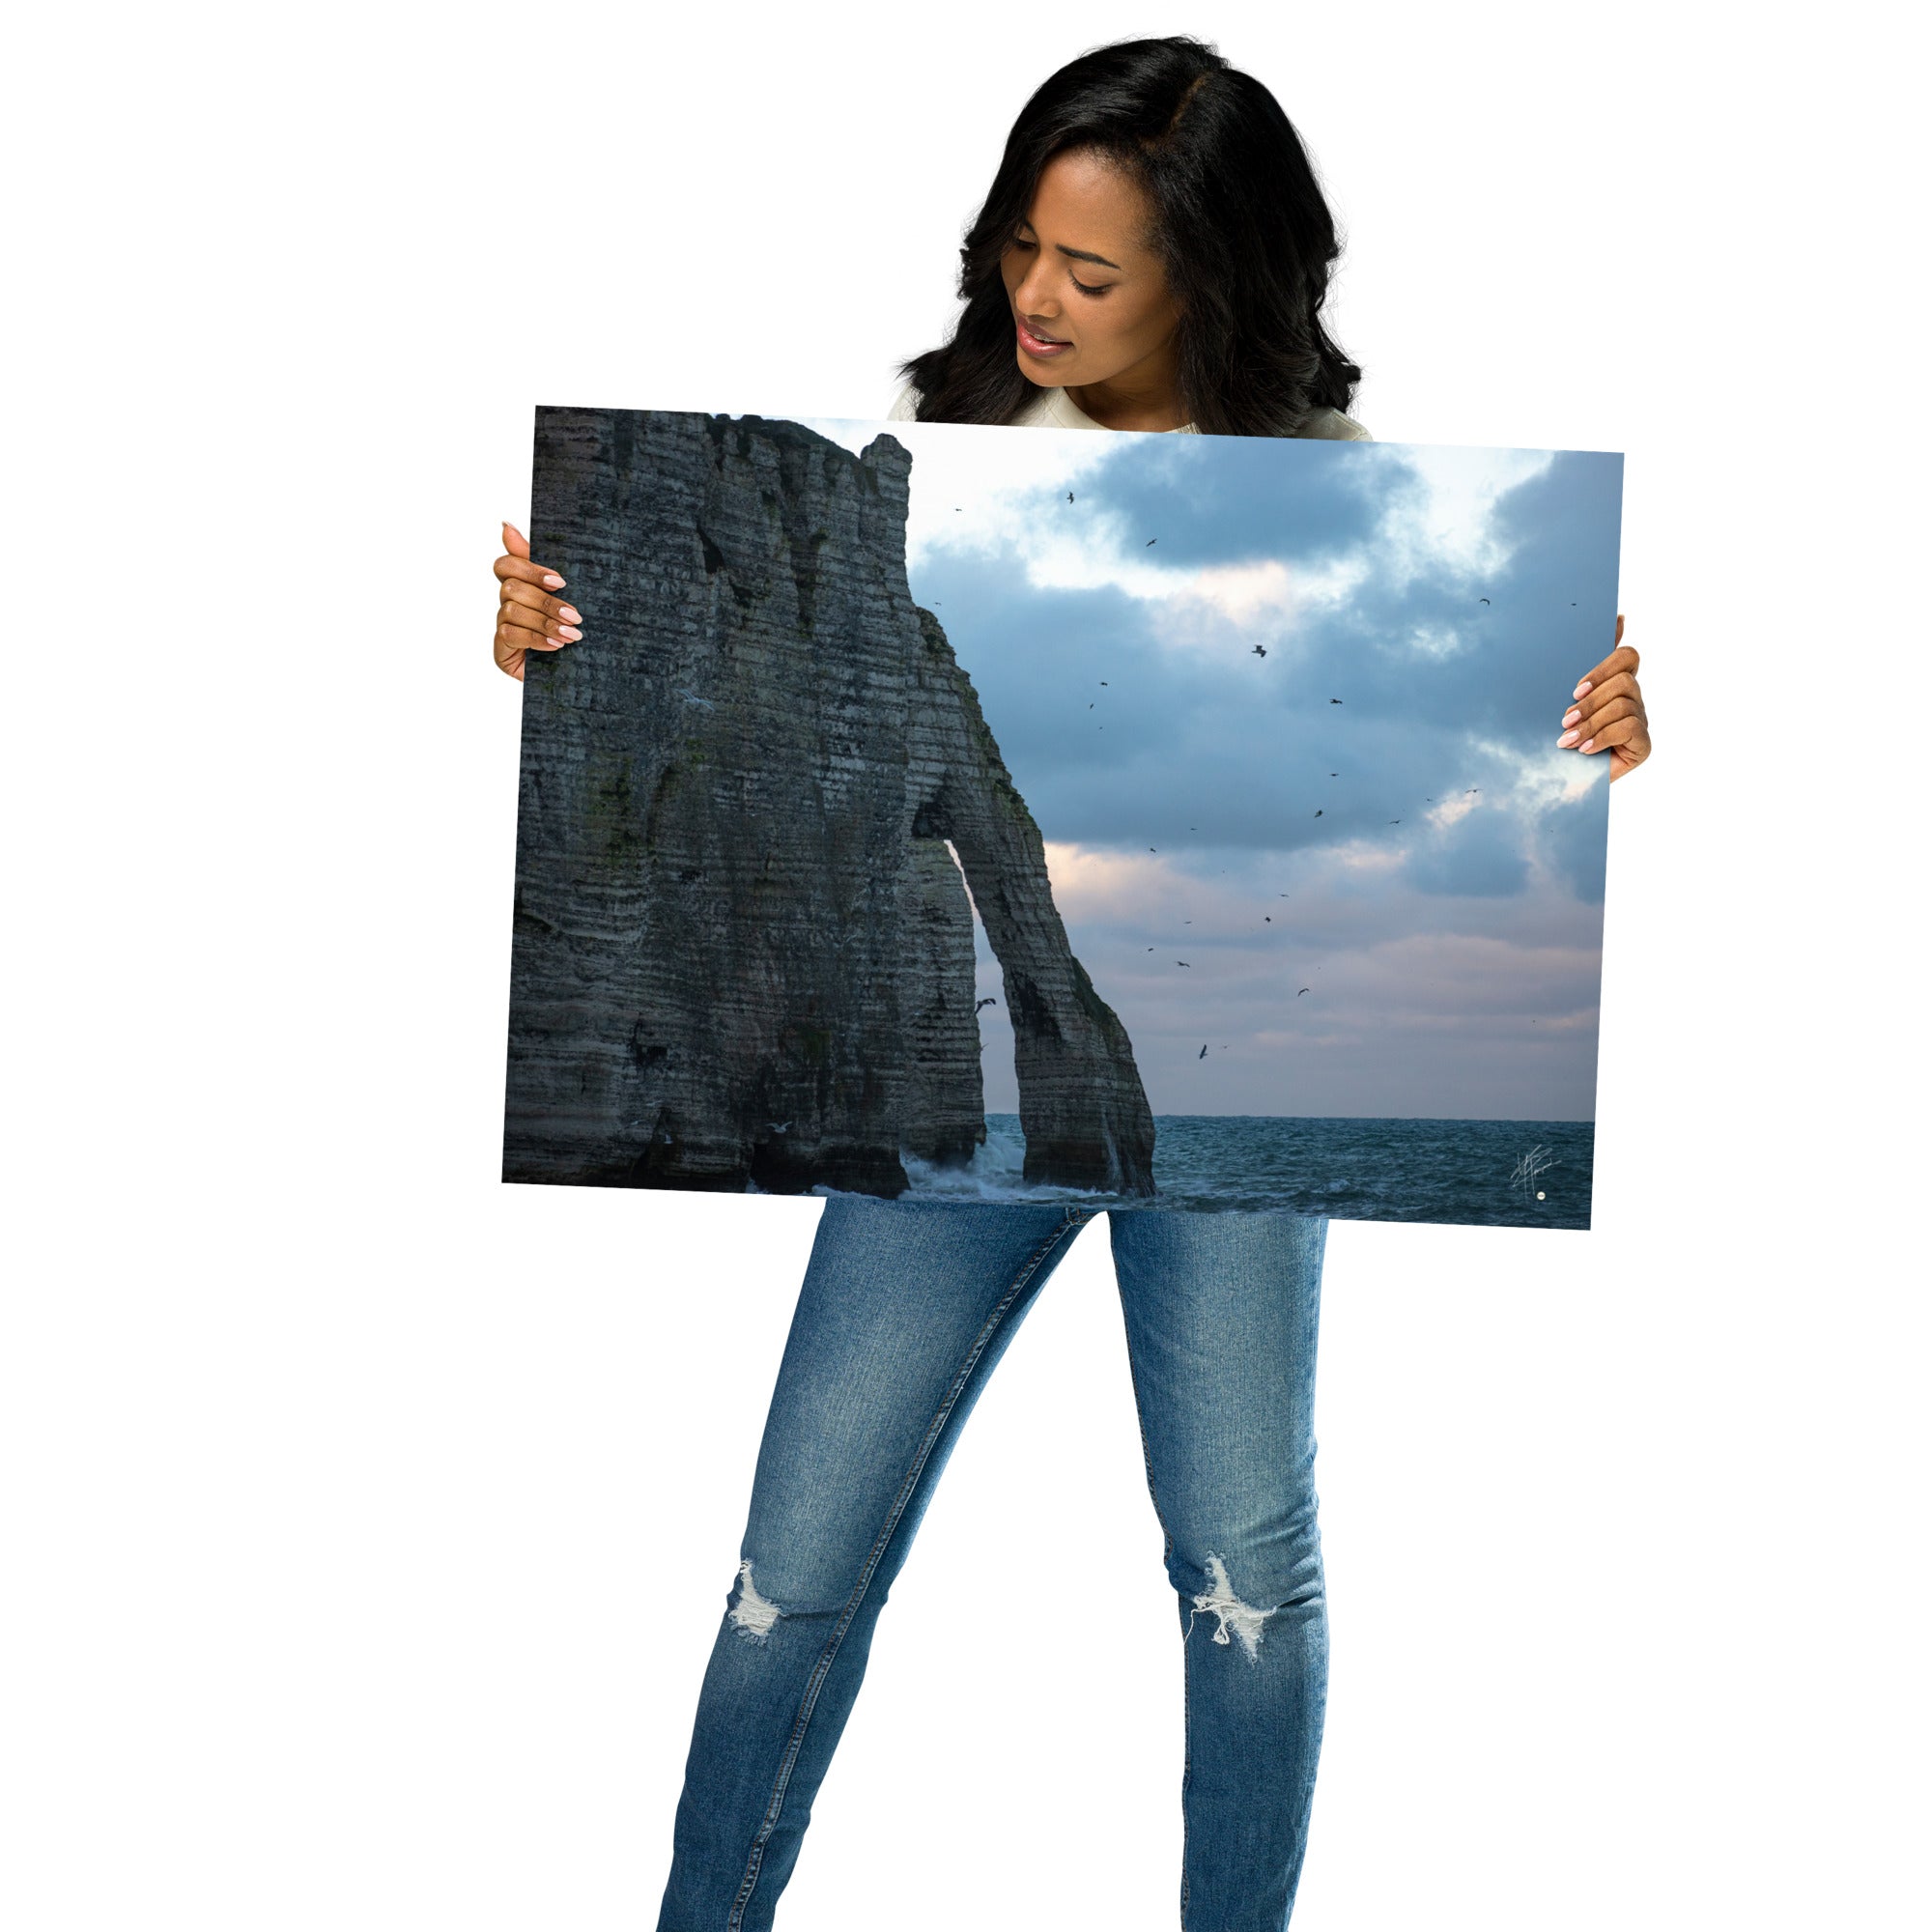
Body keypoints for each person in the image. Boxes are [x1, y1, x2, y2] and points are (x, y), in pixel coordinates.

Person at [489, 36, 1652, 1932]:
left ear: (1216, 275)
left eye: (1091, 271)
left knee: (1242, 1566)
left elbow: (1427, 778)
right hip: (944, 1111)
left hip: (1231, 1091)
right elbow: (751, 732)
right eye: (1023, 245)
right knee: (791, 1562)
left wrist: (1590, 725)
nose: (1035, 296)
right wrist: (567, 646)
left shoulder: (1342, 496)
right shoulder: (922, 465)